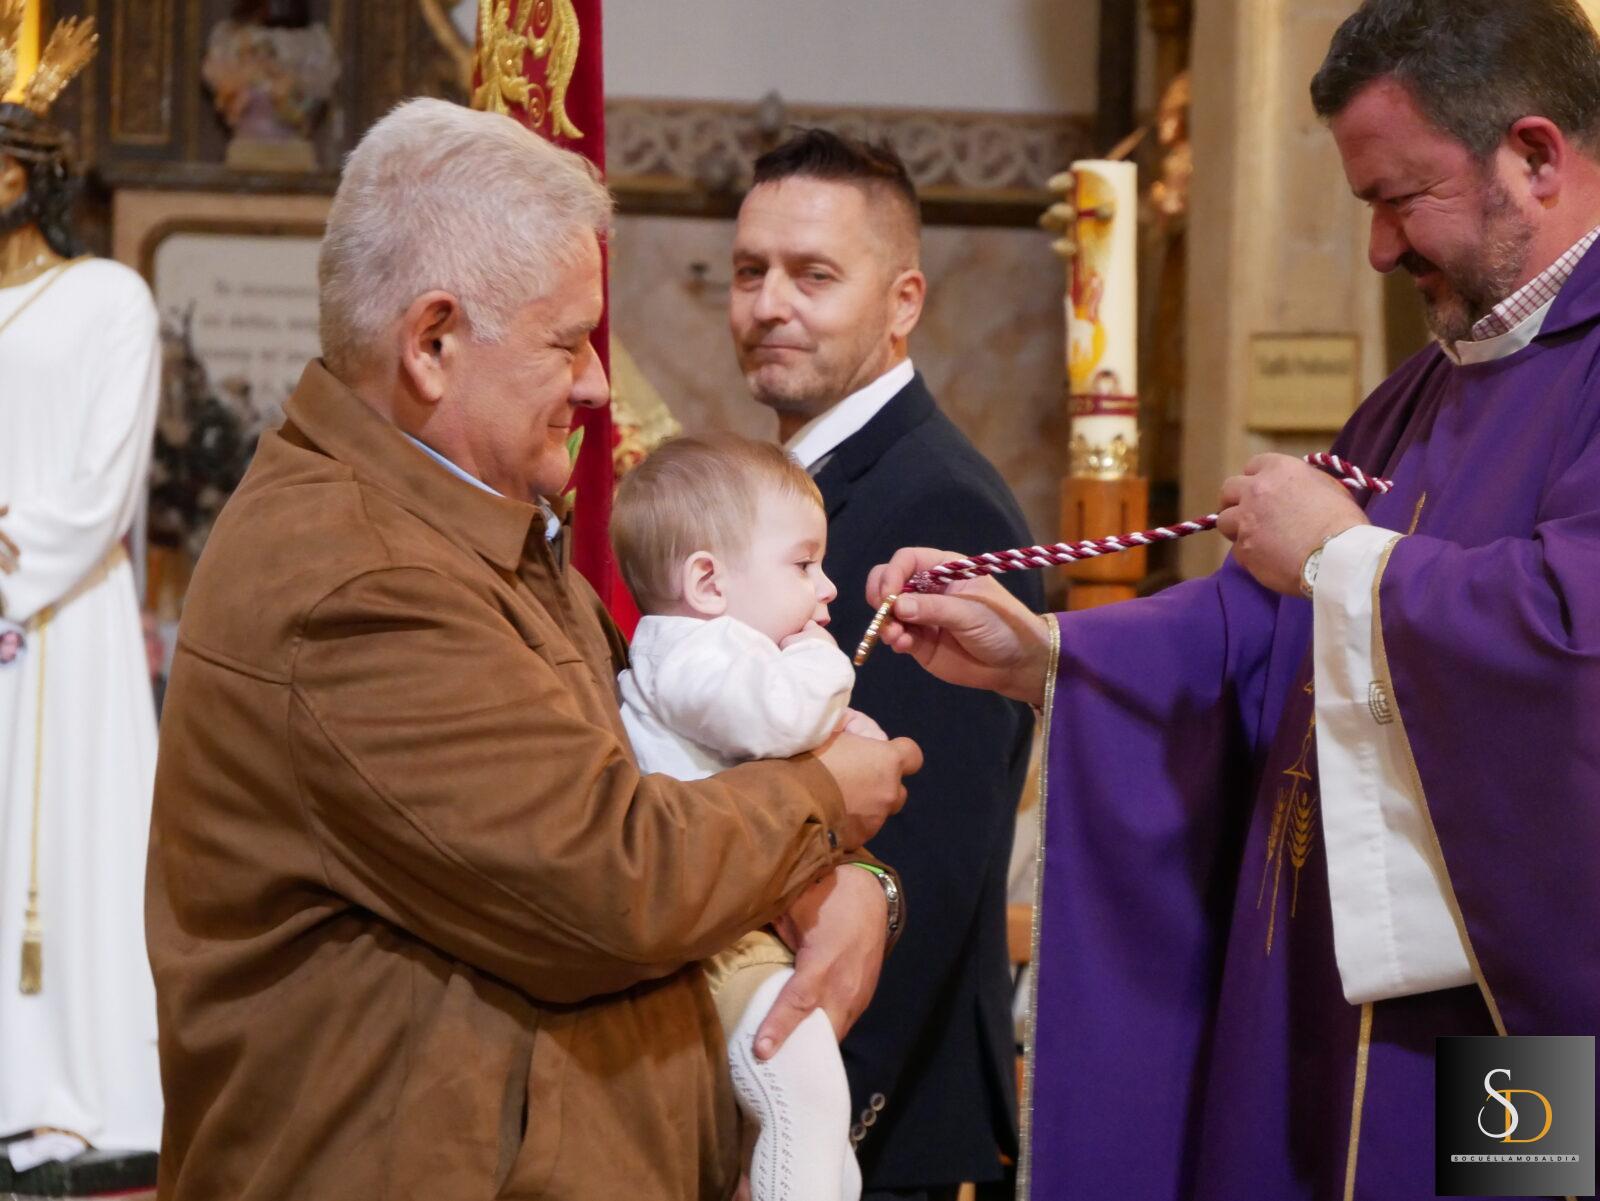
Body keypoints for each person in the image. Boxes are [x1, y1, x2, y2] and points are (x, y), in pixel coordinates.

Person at [867, 2, 1600, 1197]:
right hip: (1326, 986)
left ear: (1533, 155)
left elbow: (1574, 637)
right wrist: (1049, 651)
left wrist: (1341, 554)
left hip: (1518, 1024)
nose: (1378, 249)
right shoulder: (1425, 389)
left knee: (1513, 1186)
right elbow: (1263, 625)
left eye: (1399, 198)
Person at [146, 98, 922, 1201]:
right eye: (567, 341)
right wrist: (826, 797)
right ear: (433, 343)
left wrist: (844, 879)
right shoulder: (362, 583)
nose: (599, 383)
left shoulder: (470, 522)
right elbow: (613, 884)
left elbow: (662, 767)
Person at [730, 129, 1040, 1200]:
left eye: (813, 275)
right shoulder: (794, 485)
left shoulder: (941, 504)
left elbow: (921, 864)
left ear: (903, 300)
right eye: (750, 271)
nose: (770, 303)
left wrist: (804, 1139)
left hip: (885, 1127)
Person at [613, 432, 898, 1201]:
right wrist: (821, 660)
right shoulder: (688, 653)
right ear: (707, 581)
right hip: (714, 942)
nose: (828, 587)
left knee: (824, 1135)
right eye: (803, 564)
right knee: (800, 1091)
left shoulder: (723, 656)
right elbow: (782, 718)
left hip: (739, 917)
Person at [0, 23, 164, 1157]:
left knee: (68, 853)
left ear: (25, 175)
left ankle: (76, 1086)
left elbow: (103, 483)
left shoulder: (109, 298)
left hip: (61, 614)